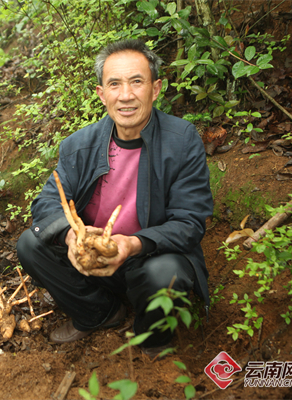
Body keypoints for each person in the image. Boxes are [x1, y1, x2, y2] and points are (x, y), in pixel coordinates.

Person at [16, 39, 213, 355]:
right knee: (30, 243)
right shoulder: (78, 145)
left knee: (166, 273)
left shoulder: (182, 140)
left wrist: (132, 244)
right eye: (114, 84)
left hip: (149, 258)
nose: (126, 95)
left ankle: (151, 336)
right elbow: (47, 203)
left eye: (137, 82)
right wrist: (71, 237)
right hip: (95, 257)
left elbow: (190, 221)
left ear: (156, 88)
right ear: (101, 93)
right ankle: (100, 313)